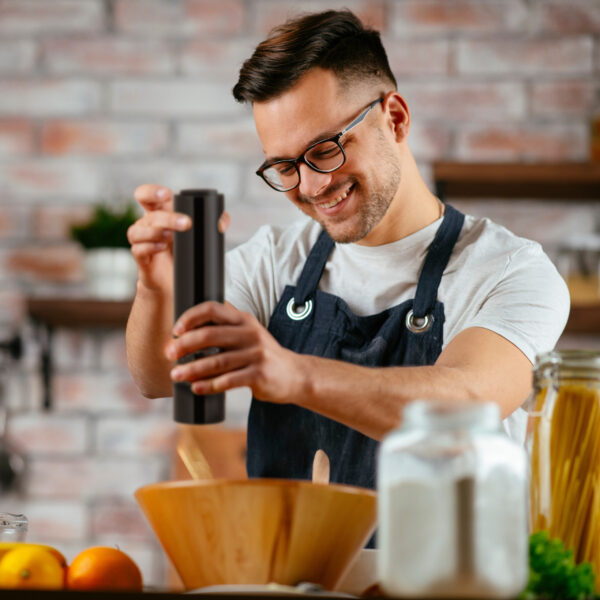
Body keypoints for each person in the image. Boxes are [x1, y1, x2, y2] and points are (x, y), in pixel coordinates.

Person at [126, 10, 569, 490]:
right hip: (292, 568)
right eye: (284, 166)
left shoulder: (510, 271)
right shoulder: (273, 261)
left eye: (324, 150)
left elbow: (466, 403)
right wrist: (154, 287)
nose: (312, 186)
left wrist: (295, 375)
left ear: (394, 119)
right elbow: (160, 378)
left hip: (444, 568)